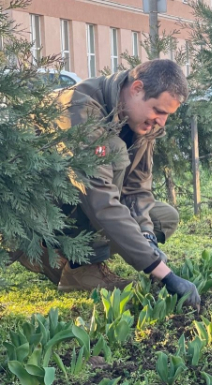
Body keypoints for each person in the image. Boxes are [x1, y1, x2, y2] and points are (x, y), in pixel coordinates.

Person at [10, 59, 201, 309]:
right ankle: (69, 262)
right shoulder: (79, 109)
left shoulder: (141, 121)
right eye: (159, 110)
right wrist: (161, 271)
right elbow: (99, 200)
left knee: (163, 217)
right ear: (137, 89)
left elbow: (137, 189)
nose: (161, 121)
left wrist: (146, 236)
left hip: (85, 208)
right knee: (114, 151)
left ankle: (77, 263)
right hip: (40, 218)